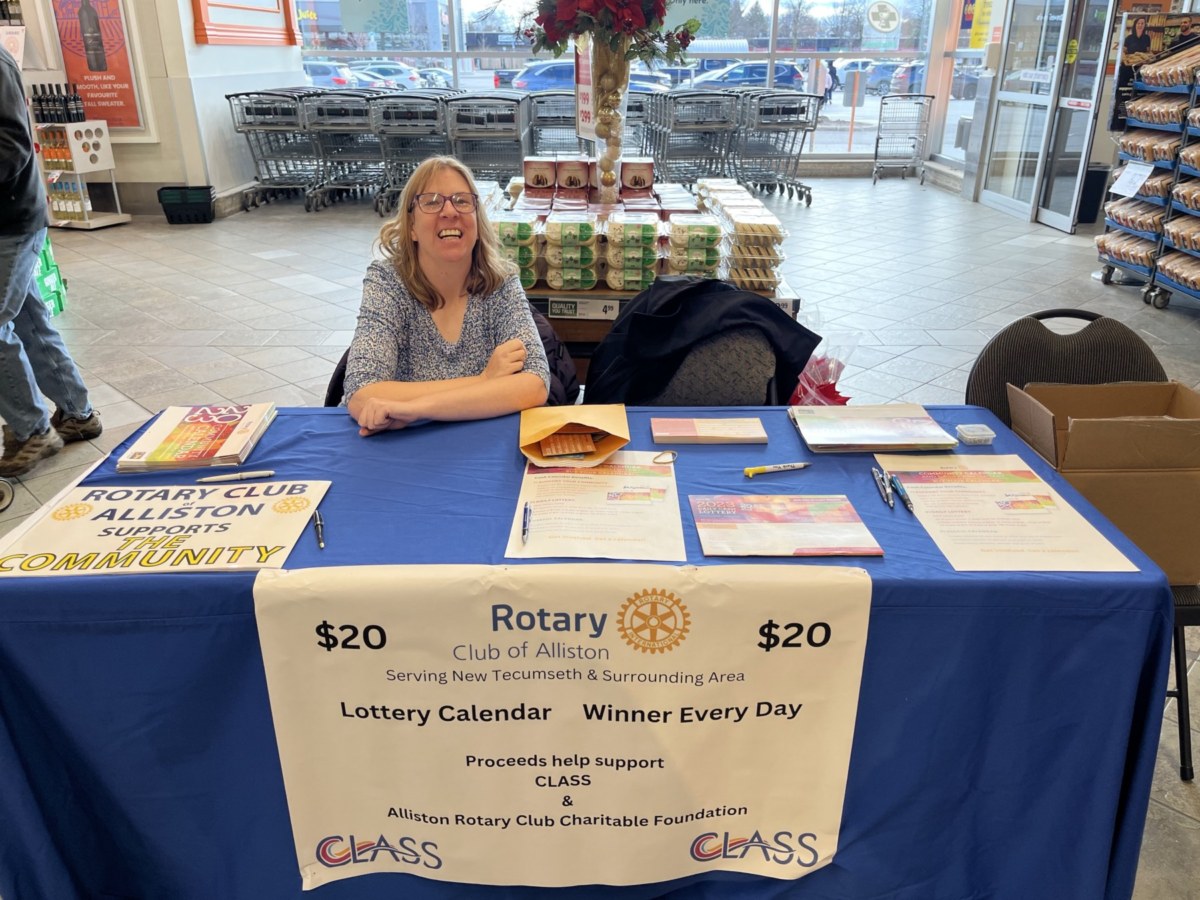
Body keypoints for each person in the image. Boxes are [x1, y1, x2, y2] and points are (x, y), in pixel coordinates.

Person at [344, 156, 549, 436]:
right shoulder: (387, 281)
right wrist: (484, 380)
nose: (450, 211)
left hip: (480, 449)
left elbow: (534, 385)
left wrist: (416, 409)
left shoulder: (501, 283)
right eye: (431, 201)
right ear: (412, 226)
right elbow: (362, 392)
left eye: (462, 201)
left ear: (477, 221)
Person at [0, 45, 101, 477]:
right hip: (12, 217)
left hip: (10, 219)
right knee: (28, 322)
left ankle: (32, 430)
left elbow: (10, 147)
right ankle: (77, 413)